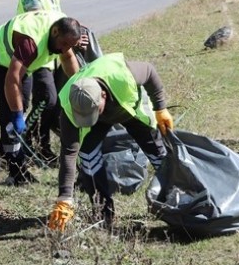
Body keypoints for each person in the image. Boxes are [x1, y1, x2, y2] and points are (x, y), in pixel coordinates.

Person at [48, 53, 174, 232]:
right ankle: (103, 214)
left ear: (104, 96)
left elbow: (149, 70)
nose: (87, 119)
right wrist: (64, 198)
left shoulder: (121, 76)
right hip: (101, 116)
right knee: (87, 157)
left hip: (129, 107)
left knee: (159, 156)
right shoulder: (71, 106)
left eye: (93, 112)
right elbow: (68, 153)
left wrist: (160, 108)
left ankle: (174, 201)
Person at [0, 11, 83, 185]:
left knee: (22, 102)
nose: (64, 49)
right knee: (10, 115)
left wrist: (80, 86)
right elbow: (12, 79)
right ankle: (16, 173)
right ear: (55, 32)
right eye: (63, 44)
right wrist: (17, 114)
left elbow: (68, 57)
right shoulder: (30, 43)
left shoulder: (63, 31)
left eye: (69, 45)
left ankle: (5, 153)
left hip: (21, 65)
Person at [16, 0, 67, 164]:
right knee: (47, 99)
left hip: (50, 56)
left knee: (52, 103)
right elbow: (41, 24)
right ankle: (27, 138)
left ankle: (39, 144)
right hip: (34, 55)